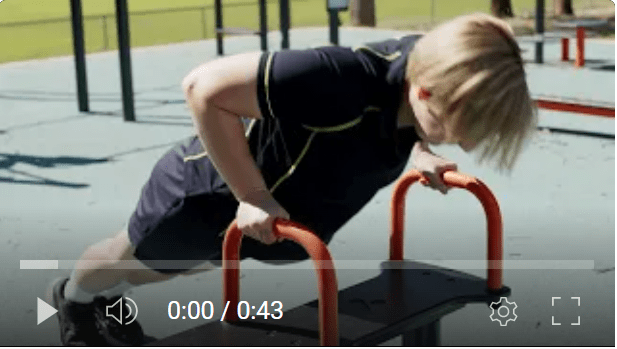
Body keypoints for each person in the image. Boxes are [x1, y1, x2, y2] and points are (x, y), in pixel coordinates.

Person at [47, 12, 537, 346]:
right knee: (126, 262)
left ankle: (107, 302)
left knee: (170, 271)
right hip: (207, 197)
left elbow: (393, 116)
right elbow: (202, 87)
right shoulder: (336, 77)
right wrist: (252, 193)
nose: (468, 144)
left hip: (273, 218)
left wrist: (421, 150)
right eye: (460, 128)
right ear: (427, 91)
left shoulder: (425, 68)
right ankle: (75, 299)